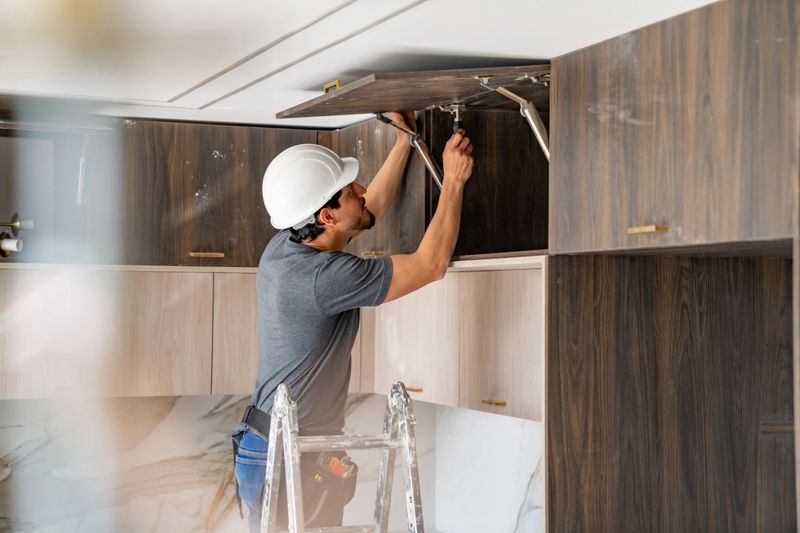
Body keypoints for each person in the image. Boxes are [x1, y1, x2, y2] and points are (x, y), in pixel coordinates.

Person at [232, 111, 473, 531]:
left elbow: (366, 211)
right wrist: (453, 181)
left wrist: (403, 143)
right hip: (289, 455)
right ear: (326, 217)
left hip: (268, 444)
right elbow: (431, 265)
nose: (361, 191)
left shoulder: (285, 245)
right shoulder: (326, 278)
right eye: (349, 191)